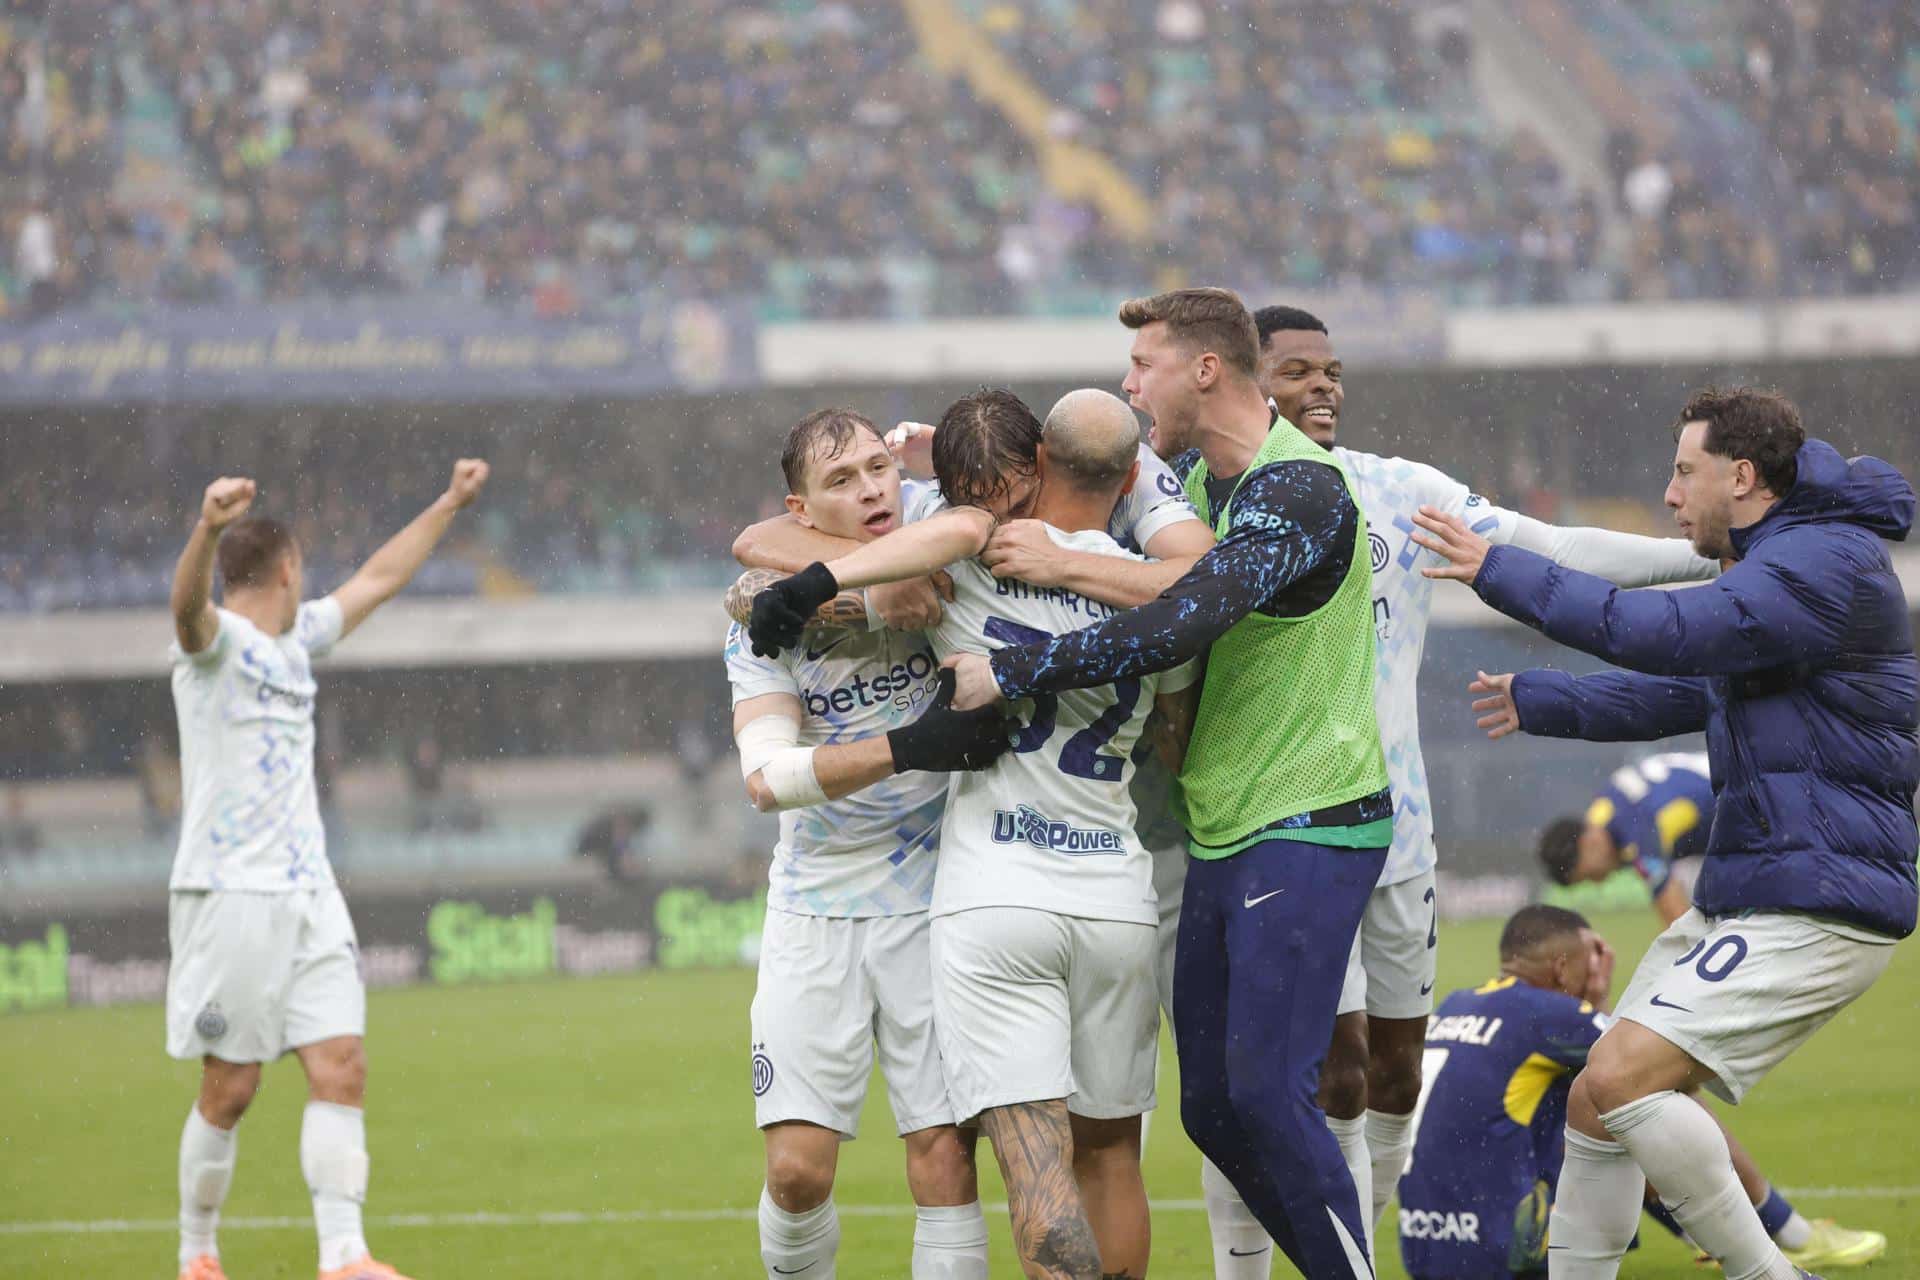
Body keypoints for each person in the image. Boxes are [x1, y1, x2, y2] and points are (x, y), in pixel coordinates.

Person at [1242, 305, 1719, 1271]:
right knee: (1332, 1076)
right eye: (1297, 371)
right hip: (1285, 830)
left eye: (1332, 369)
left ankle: (1373, 1248)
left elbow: (1554, 547)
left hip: (1400, 834)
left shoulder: (1396, 493)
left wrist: (1704, 552)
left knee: (1392, 1077)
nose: (1324, 385)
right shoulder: (1210, 505)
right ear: (1245, 386)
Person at [1414, 387, 1914, 1279]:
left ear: (1744, 477)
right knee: (1595, 1104)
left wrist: (1500, 570)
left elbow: (1663, 632)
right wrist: (1546, 700)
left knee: (1617, 1081)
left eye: (1685, 473)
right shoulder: (1780, 566)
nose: (1672, 494)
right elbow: (1690, 691)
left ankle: (1776, 1270)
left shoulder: (1818, 563)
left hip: (1817, 900)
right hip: (1762, 889)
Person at [945, 288, 1393, 1278]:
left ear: (1202, 369)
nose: (1128, 379)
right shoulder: (1201, 479)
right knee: (1211, 1107)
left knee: (1272, 1093)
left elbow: (1192, 614)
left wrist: (1014, 665)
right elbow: (1104, 466)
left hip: (1312, 814)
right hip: (1226, 826)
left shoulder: (1298, 487)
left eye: (1142, 362)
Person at [747, 388, 1201, 1280]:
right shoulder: (1159, 598)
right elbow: (1175, 739)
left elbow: (760, 571)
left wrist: (816, 581)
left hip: (997, 895)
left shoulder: (974, 560)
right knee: (1110, 1155)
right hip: (1116, 890)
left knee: (1033, 1165)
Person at [166, 461, 489, 1280]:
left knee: (341, 1064)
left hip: (310, 892)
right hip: (231, 892)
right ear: (285, 568)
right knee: (231, 1086)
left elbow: (381, 576)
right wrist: (205, 529)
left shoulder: (298, 637)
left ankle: (344, 1255)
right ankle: (197, 1251)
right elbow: (185, 611)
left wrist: (446, 502)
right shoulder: (217, 646)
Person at [723, 408, 1008, 1280]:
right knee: (798, 1172)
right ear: (799, 509)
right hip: (817, 905)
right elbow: (767, 778)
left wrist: (879, 586)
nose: (872, 488)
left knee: (944, 1159)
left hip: (940, 899)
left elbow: (971, 522)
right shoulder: (758, 623)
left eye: (878, 467)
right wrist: (908, 748)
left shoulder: (934, 526)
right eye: (841, 482)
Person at [1397, 905, 1613, 1279]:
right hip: (1504, 1249)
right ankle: (1730, 1227)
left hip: (1424, 1248)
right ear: (1561, 968)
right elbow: (1649, 1069)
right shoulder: (1550, 1012)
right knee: (1625, 1105)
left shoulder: (1454, 1004)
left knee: (1558, 1090)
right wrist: (1598, 1000)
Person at [1537, 753, 1714, 925]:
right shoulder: (1604, 809)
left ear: (1587, 844)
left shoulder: (1635, 829)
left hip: (1737, 790)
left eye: (1590, 876)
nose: (1600, 882)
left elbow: (1672, 909)